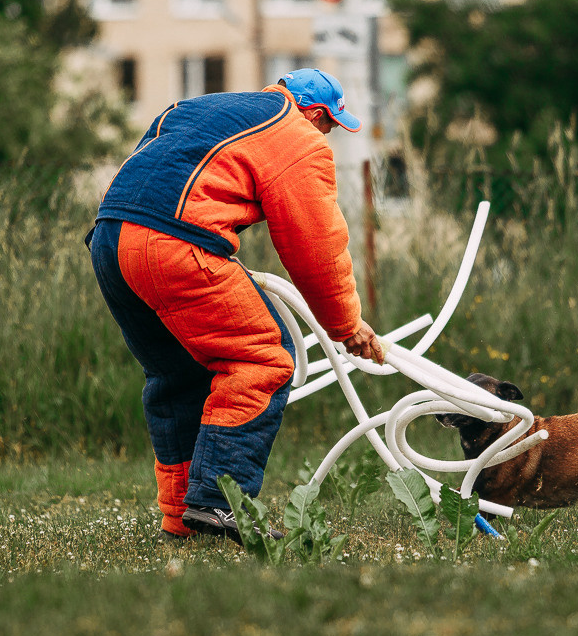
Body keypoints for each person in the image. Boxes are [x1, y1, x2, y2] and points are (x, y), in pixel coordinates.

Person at [87, 68, 384, 543]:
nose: (328, 136)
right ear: (314, 113)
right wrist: (345, 324)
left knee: (176, 376)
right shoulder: (296, 136)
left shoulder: (199, 107)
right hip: (175, 243)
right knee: (262, 358)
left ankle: (182, 517)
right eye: (329, 124)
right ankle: (221, 502)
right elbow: (316, 244)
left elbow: (147, 163)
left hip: (110, 238)